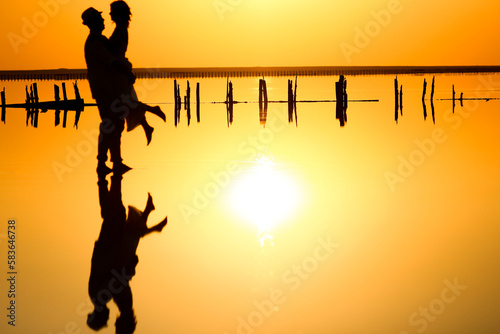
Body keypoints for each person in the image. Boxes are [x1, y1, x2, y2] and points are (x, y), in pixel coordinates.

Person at [87, 171, 168, 333]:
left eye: (105, 320)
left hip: (108, 248)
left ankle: (110, 176)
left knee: (114, 214)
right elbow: (117, 282)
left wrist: (129, 269)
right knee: (118, 218)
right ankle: (110, 177)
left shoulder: (100, 297)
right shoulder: (102, 298)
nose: (109, 319)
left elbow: (115, 280)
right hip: (110, 251)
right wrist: (129, 270)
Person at [82, 7, 132, 174]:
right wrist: (127, 72)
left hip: (108, 88)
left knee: (116, 124)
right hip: (103, 89)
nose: (104, 20)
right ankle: (102, 163)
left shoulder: (100, 40)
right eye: (100, 19)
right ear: (93, 22)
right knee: (109, 124)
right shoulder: (94, 43)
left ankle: (116, 161)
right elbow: (112, 61)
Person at [109, 0, 165, 145]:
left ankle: (153, 109)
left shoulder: (120, 30)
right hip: (120, 68)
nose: (110, 14)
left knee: (125, 103)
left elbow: (114, 52)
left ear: (118, 13)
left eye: (112, 11)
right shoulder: (121, 28)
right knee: (126, 101)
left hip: (119, 70)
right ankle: (147, 126)